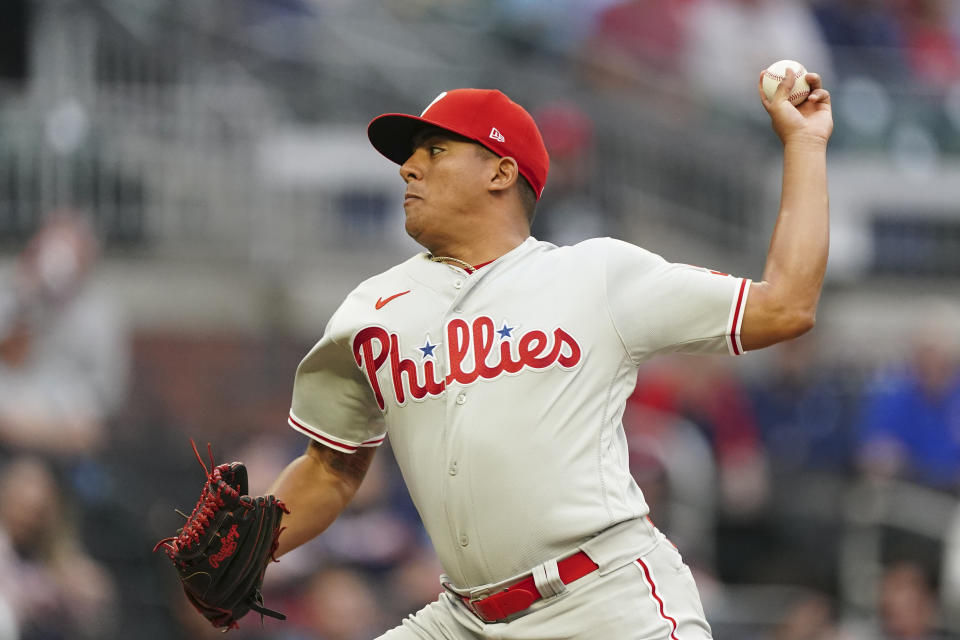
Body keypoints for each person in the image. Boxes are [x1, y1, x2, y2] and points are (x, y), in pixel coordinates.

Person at [266, 72, 832, 639]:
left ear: (501, 171)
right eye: (410, 157)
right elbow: (331, 467)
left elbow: (784, 307)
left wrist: (804, 145)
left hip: (604, 602)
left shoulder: (596, 276)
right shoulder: (372, 309)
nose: (408, 168)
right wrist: (255, 542)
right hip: (463, 617)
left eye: (435, 150)